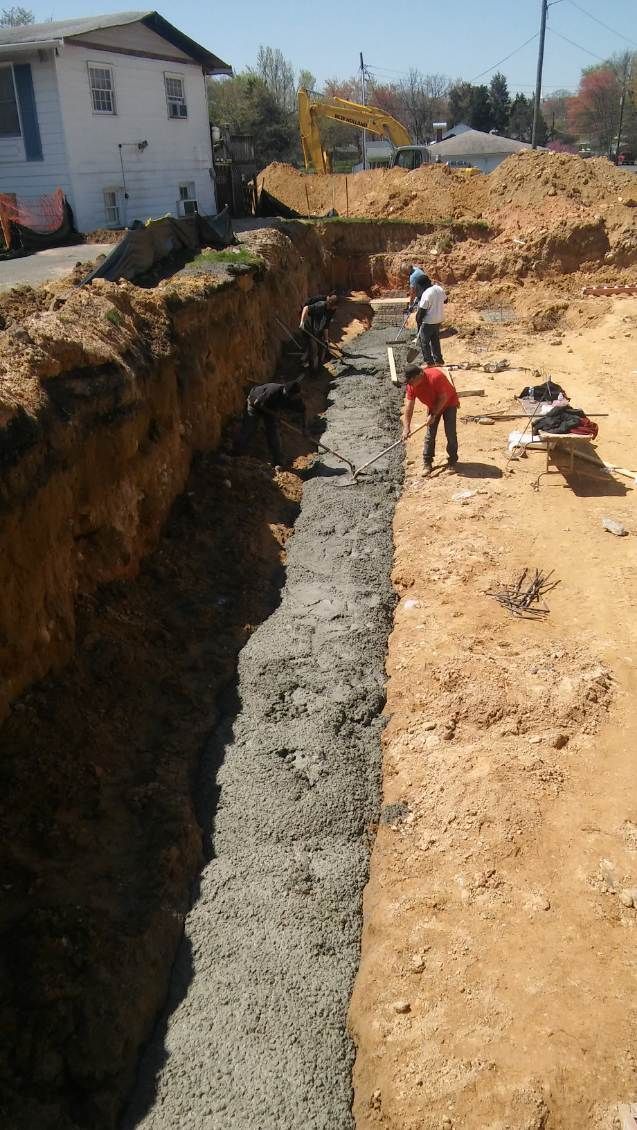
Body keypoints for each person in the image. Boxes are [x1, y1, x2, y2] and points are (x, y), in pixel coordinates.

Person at [401, 362, 459, 476]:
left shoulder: (435, 377)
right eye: (409, 382)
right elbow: (409, 406)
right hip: (433, 405)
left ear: (419, 376)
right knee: (430, 434)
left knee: (450, 432)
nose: (410, 385)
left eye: (411, 381)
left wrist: (433, 415)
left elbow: (443, 398)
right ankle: (427, 462)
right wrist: (406, 427)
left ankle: (452, 461)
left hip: (449, 403)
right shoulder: (411, 385)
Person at [235, 378, 305, 469]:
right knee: (249, 428)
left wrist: (304, 428)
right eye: (289, 395)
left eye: (292, 396)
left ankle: (277, 460)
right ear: (285, 390)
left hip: (271, 408)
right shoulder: (273, 391)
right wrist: (274, 414)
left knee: (273, 433)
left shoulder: (294, 397)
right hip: (254, 404)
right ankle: (237, 453)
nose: (291, 397)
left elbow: (302, 411)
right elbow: (257, 403)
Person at [300, 293, 338, 372]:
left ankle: (319, 368)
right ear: (332, 305)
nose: (335, 308)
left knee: (322, 348)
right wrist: (302, 323)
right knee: (313, 349)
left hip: (317, 329)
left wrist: (326, 340)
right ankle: (312, 371)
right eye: (335, 306)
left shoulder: (330, 311)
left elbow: (326, 326)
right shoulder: (320, 305)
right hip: (308, 328)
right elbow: (306, 308)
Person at [416, 278, 446, 365]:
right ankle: (439, 360)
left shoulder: (426, 293)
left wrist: (418, 322)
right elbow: (445, 300)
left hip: (428, 322)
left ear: (422, 285)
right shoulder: (438, 288)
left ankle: (429, 362)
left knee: (424, 342)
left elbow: (422, 311)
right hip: (438, 320)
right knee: (435, 340)